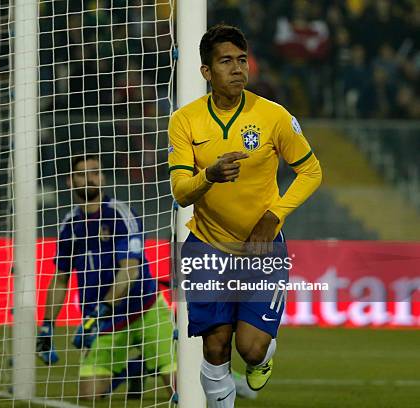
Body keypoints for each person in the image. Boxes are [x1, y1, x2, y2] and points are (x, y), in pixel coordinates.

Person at [168, 24, 322, 407]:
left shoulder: (273, 116)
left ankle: (264, 355)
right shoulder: (185, 121)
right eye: (226, 62)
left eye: (241, 60)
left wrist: (274, 217)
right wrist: (209, 177)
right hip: (208, 246)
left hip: (262, 248)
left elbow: (311, 171)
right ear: (206, 72)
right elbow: (181, 193)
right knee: (216, 344)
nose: (237, 69)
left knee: (250, 349)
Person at [36, 154, 176, 400]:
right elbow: (60, 278)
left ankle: (144, 361)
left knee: (181, 390)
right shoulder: (70, 226)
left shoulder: (120, 214)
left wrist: (101, 309)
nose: (90, 178)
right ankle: (136, 366)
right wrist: (47, 327)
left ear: (103, 177)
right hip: (104, 323)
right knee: (89, 395)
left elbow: (130, 269)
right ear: (70, 181)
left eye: (95, 172)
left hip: (144, 310)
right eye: (83, 173)